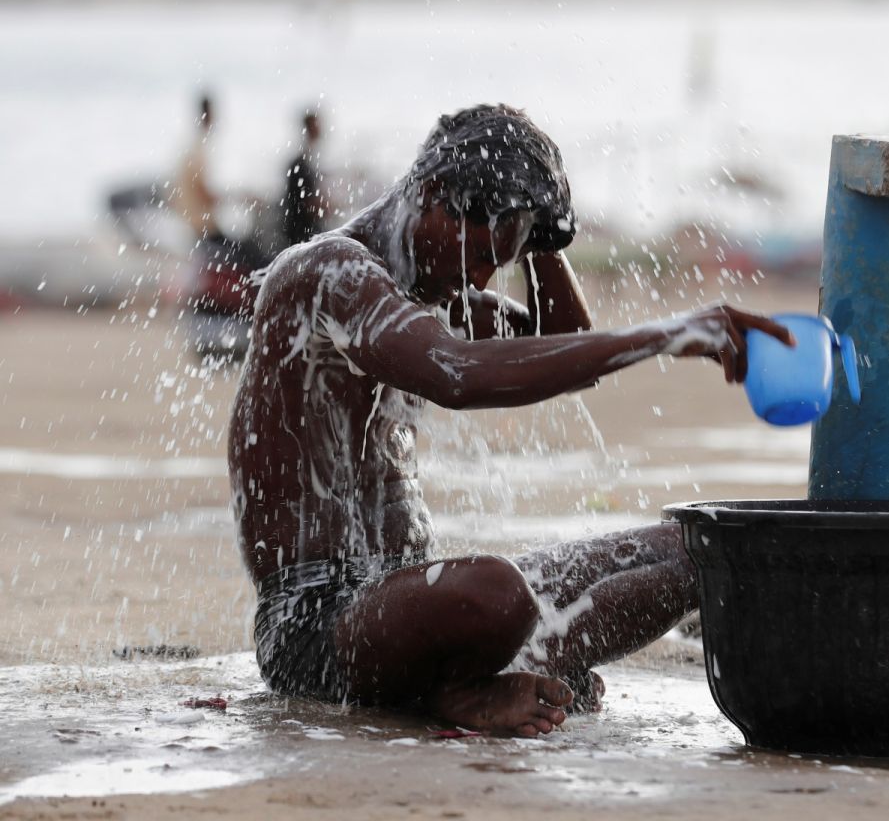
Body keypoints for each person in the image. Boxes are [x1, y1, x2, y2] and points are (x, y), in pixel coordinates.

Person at [228, 104, 794, 737]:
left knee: (698, 549)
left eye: (502, 260)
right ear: (432, 194)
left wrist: (545, 235)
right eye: (480, 252)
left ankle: (497, 667)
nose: (479, 278)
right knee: (496, 590)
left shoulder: (430, 289)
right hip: (320, 631)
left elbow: (563, 343)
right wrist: (666, 332)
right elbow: (458, 374)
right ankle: (456, 691)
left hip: (415, 610)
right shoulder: (327, 273)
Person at [172, 94, 223, 241]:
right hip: (201, 228)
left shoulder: (190, 146)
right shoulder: (199, 150)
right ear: (210, 115)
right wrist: (236, 199)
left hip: (191, 226)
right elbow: (203, 193)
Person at [281, 109, 331, 247]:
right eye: (317, 125)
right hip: (302, 233)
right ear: (310, 129)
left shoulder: (308, 162)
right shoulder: (301, 164)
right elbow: (307, 204)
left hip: (303, 231)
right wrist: (330, 206)